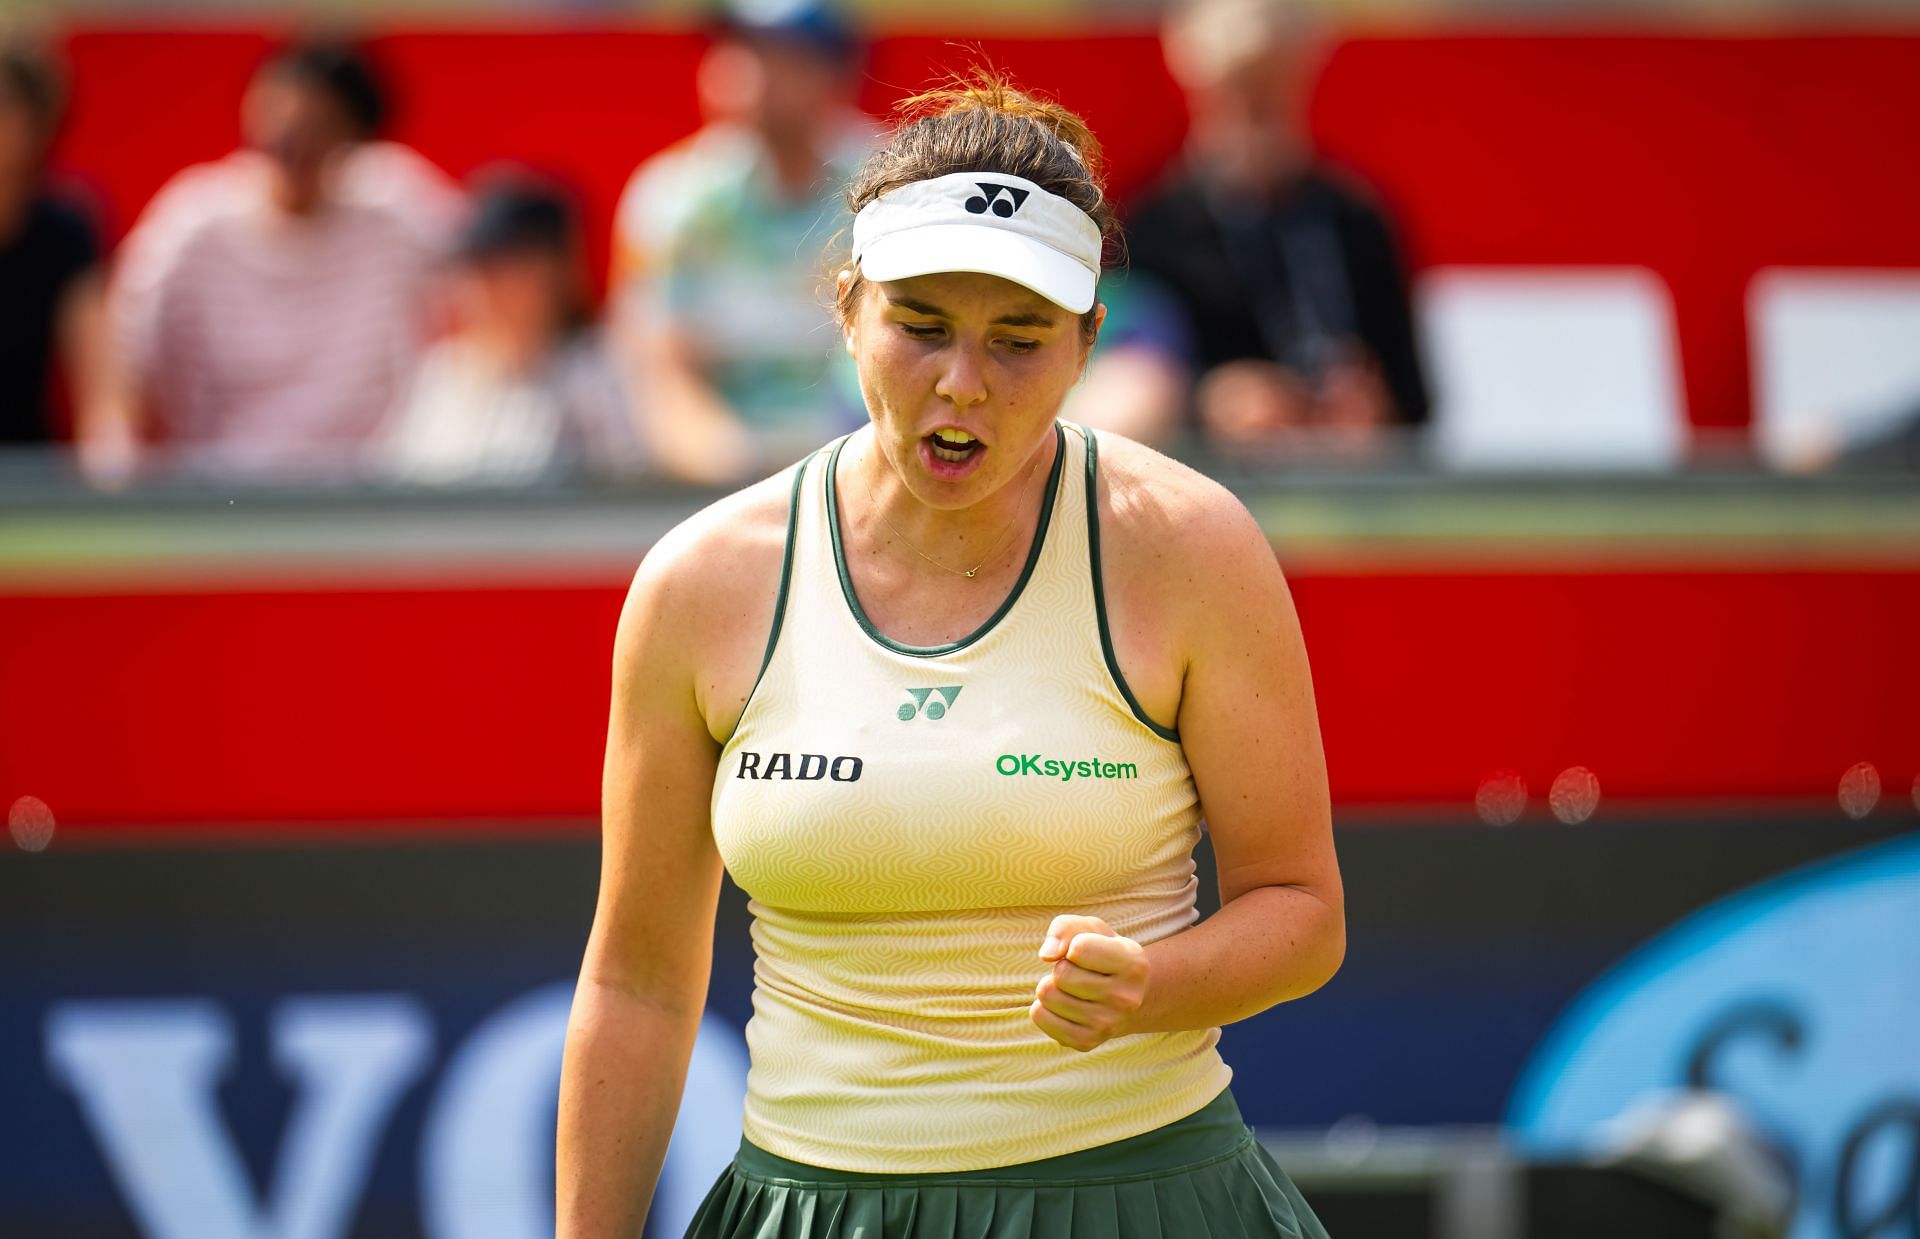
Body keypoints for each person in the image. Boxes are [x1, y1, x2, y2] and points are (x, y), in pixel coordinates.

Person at [557, 77, 1343, 1238]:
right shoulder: (701, 580)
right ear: (846, 311)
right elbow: (635, 982)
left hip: (1147, 1202)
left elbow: (1302, 911)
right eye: (920, 325)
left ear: (1087, 347)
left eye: (1019, 341)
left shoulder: (1191, 547)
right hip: (808, 1205)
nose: (962, 382)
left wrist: (1152, 986)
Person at [91, 39, 462, 484]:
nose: (291, 141)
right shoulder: (192, 225)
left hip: (371, 498)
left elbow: (494, 289)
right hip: (224, 500)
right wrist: (112, 477)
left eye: (317, 126)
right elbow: (124, 364)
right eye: (279, 121)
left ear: (355, 139)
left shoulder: (400, 206)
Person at [1128, 0, 1428, 458]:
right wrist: (1211, 403)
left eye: (1270, 98)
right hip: (1206, 492)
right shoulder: (1151, 230)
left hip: (1350, 488)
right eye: (1237, 98)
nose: (1254, 123)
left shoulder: (1356, 222)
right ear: (1200, 92)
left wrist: (1375, 408)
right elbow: (1119, 386)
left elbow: (1417, 400)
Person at [608, 0, 875, 484]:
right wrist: (743, 478)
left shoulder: (887, 188)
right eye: (736, 49)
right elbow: (661, 378)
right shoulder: (673, 200)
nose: (744, 71)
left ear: (833, 72)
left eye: (776, 54)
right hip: (722, 484)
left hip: (874, 470)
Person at [371, 175, 645, 486]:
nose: (484, 285)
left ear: (556, 269)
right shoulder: (444, 374)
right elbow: (397, 490)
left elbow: (625, 492)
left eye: (505, 265)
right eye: (476, 266)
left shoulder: (600, 371)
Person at [0, 40, 107, 454]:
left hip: (28, 479)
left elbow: (101, 383)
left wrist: (109, 462)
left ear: (40, 124)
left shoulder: (65, 229)